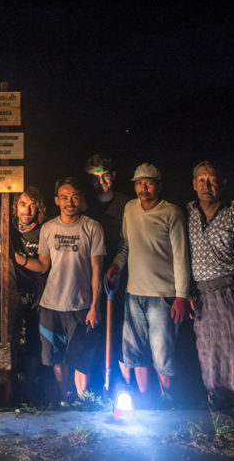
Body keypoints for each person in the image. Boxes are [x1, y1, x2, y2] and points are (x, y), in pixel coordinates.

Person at [107, 163, 191, 405]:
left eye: (149, 182)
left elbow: (181, 255)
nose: (144, 187)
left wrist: (181, 296)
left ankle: (167, 402)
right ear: (134, 185)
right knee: (134, 353)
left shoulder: (171, 213)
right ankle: (143, 402)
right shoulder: (130, 208)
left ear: (159, 186)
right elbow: (126, 245)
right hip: (134, 293)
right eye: (139, 183)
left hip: (163, 296)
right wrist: (116, 265)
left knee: (163, 355)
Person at [16, 177, 105, 400]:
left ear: (82, 200)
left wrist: (95, 306)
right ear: (57, 200)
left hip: (81, 305)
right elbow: (44, 265)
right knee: (56, 359)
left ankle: (82, 401)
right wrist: (17, 259)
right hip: (50, 305)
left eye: (75, 197)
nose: (69, 202)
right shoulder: (48, 228)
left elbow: (97, 271)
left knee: (80, 360)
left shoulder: (92, 227)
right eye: (64, 197)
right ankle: (64, 399)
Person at [186, 161, 234, 404]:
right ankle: (216, 400)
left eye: (212, 180)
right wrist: (186, 291)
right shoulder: (188, 212)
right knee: (209, 350)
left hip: (232, 290)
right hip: (202, 295)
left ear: (222, 184)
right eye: (202, 180)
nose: (207, 185)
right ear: (194, 185)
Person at [0, 187, 47, 404]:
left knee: (35, 342)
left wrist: (14, 256)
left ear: (39, 209)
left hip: (38, 294)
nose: (27, 209)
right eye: (23, 204)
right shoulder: (3, 222)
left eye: (33, 205)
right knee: (8, 339)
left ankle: (31, 386)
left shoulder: (46, 229)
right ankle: (7, 386)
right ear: (16, 205)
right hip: (11, 293)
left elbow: (44, 266)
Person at [84, 153, 131, 384]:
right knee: (94, 327)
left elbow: (129, 240)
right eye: (95, 178)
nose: (100, 183)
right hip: (91, 276)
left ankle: (123, 383)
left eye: (105, 177)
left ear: (113, 176)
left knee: (121, 328)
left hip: (121, 274)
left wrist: (118, 266)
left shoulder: (127, 204)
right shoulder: (85, 204)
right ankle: (94, 382)